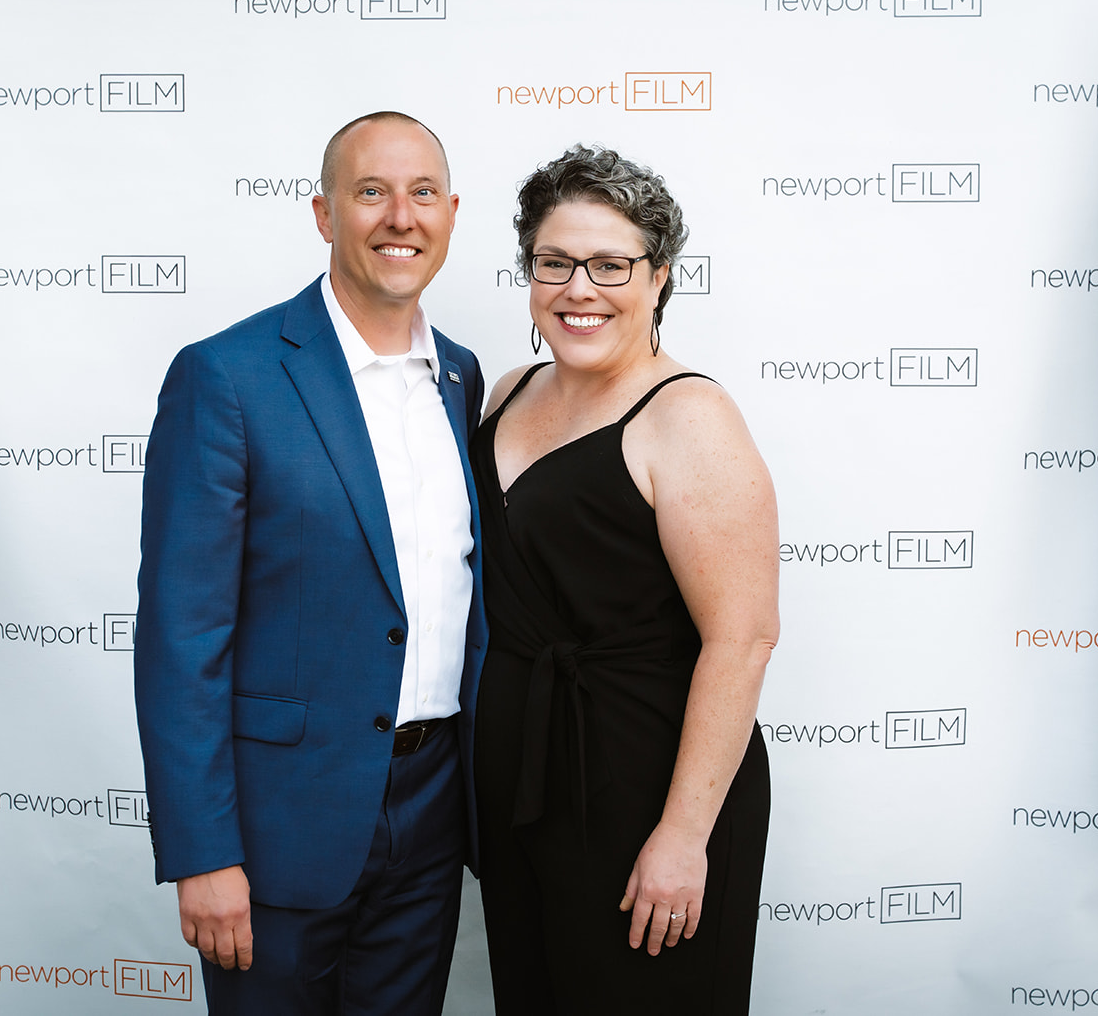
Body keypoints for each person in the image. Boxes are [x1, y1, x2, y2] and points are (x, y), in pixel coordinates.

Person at [134, 111, 487, 1015]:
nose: (400, 216)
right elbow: (182, 636)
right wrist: (204, 851)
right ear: (325, 213)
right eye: (371, 191)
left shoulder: (461, 376)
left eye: (422, 193)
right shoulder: (228, 375)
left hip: (433, 810)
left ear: (451, 215)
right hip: (278, 827)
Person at [472, 145, 776, 1013]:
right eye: (555, 262)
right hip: (524, 779)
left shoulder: (690, 416)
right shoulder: (508, 391)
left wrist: (683, 835)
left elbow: (743, 637)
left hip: (650, 783)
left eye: (610, 264)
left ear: (659, 274)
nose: (580, 288)